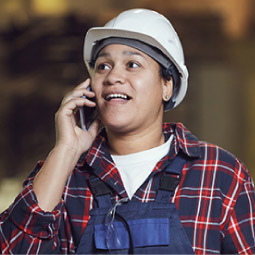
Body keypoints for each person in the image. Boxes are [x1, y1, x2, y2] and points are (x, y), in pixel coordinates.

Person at [0, 8, 254, 254]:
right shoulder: (63, 176)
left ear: (168, 85)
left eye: (132, 64)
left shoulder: (220, 175)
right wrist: (66, 150)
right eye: (103, 66)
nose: (113, 77)